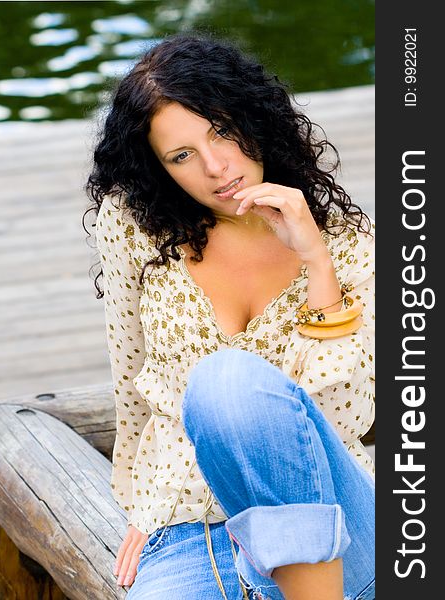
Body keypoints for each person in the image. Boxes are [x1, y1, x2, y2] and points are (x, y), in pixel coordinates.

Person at [85, 32, 375, 600]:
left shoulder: (348, 248)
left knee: (228, 379)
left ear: (254, 118)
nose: (217, 168)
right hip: (193, 532)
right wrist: (144, 501)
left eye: (222, 130)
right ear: (160, 168)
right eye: (182, 155)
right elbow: (132, 382)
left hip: (337, 535)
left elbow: (348, 416)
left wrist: (316, 261)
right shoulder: (135, 228)